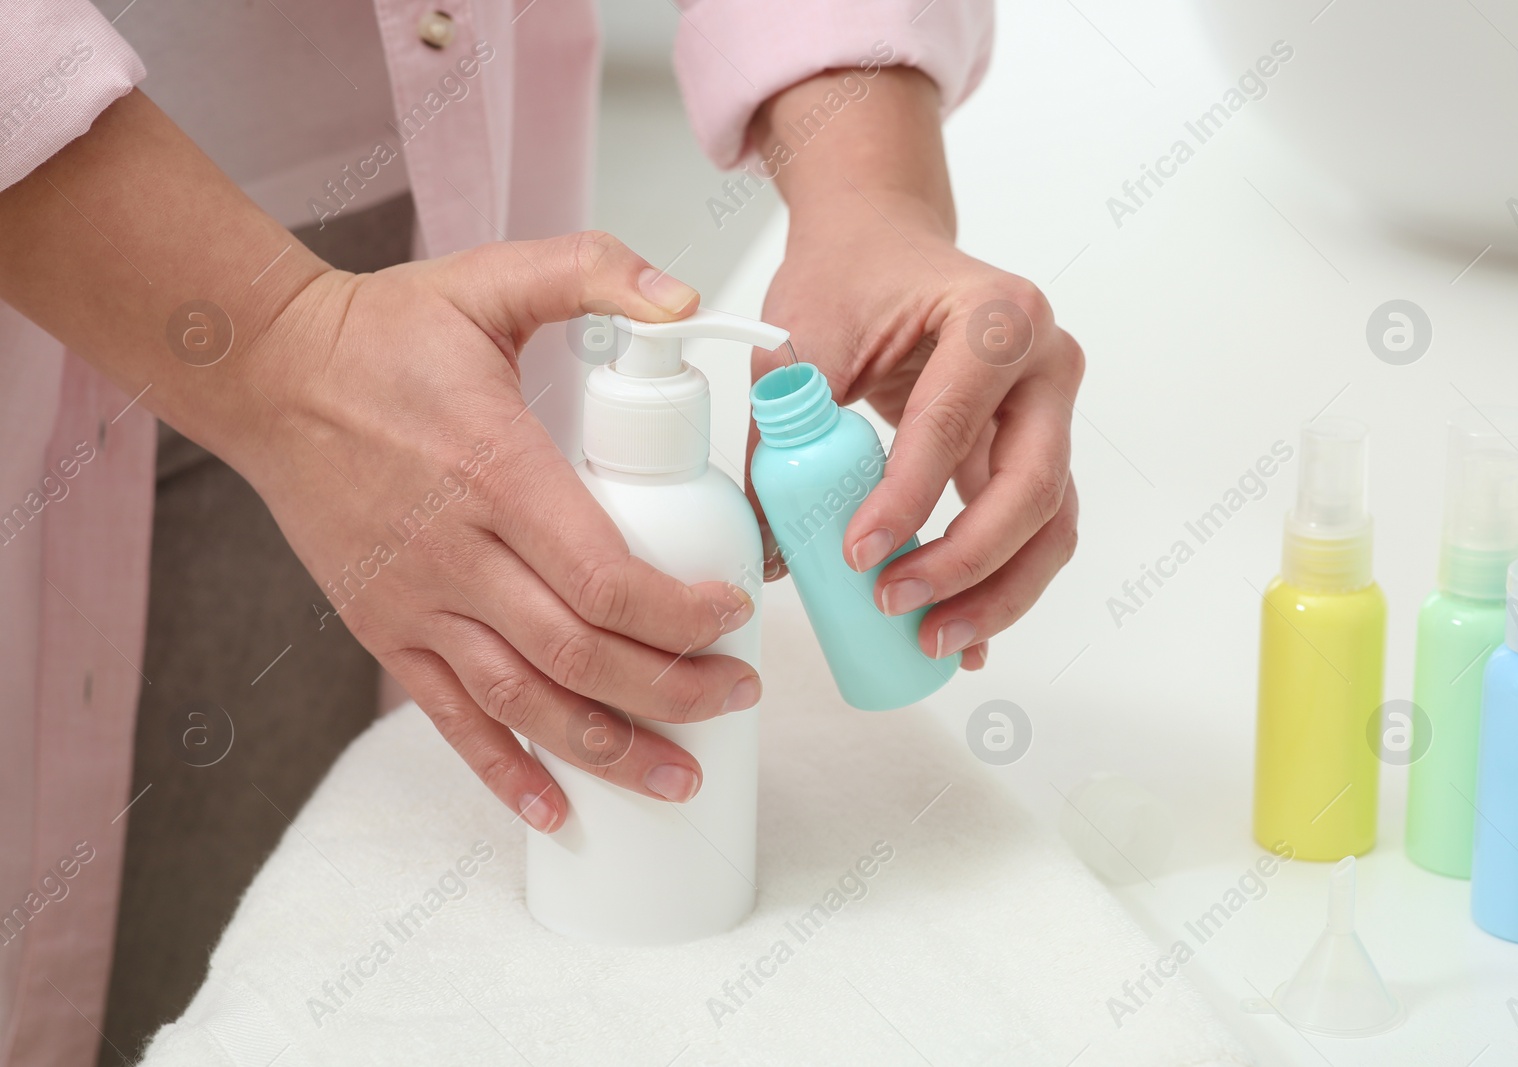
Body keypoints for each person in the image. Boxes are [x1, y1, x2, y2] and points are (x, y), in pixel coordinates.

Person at [0, 1, 1082, 1062]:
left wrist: (869, 197)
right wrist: (278, 355)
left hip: (391, 234)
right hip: (67, 240)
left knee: (273, 940)